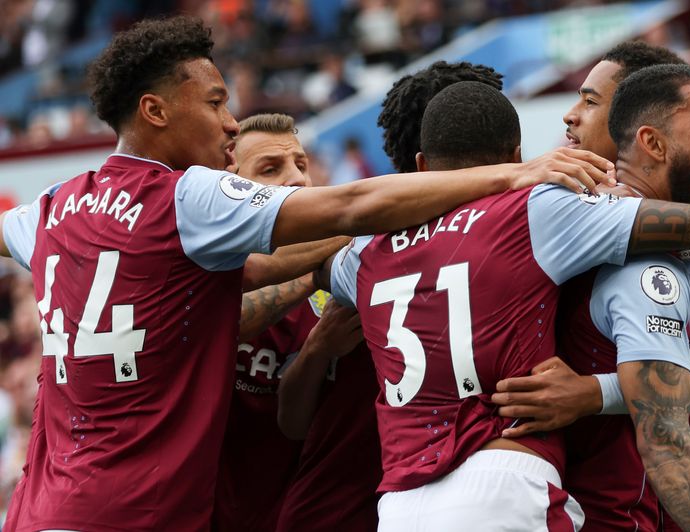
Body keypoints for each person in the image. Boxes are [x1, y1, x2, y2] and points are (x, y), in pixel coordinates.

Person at [0, 16, 617, 532]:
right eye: (216, 103)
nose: (230, 121)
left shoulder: (50, 206)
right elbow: (346, 210)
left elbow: (264, 276)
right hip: (140, 510)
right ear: (155, 109)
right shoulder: (188, 199)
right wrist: (508, 179)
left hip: (44, 507)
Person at [321, 75, 690, 528]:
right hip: (505, 480)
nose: (572, 115)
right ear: (516, 158)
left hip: (400, 504)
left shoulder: (365, 252)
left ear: (422, 164)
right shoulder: (537, 210)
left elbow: (309, 264)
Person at [493, 42, 690, 531]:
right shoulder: (569, 217)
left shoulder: (689, 231)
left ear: (644, 133)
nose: (571, 117)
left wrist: (590, 393)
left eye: (592, 102)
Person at [277, 60, 507, 532]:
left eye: (301, 164)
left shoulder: (351, 259)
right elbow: (290, 422)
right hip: (352, 508)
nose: (295, 180)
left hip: (429, 502)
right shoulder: (340, 259)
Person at [211, 113, 367, 532]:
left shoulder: (340, 282)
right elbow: (225, 322)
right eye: (271, 169)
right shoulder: (199, 269)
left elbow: (298, 424)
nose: (296, 179)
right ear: (226, 186)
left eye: (301, 164)